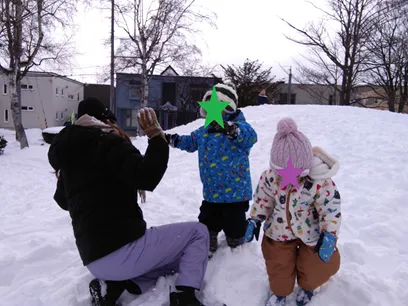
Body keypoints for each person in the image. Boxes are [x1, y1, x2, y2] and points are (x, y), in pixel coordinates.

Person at [48, 97, 210, 306]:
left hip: (94, 261)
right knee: (198, 234)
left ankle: (117, 286)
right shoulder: (106, 141)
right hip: (123, 252)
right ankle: (185, 298)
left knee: (171, 258)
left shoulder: (71, 154)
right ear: (106, 120)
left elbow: (63, 201)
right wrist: (156, 137)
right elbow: (146, 176)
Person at [245, 118, 341, 306]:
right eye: (282, 172)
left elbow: (330, 208)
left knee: (315, 265)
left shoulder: (319, 181)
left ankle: (308, 286)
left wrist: (329, 232)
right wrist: (256, 218)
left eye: (297, 173)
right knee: (278, 265)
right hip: (278, 232)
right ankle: (280, 292)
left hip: (312, 234)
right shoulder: (270, 178)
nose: (289, 177)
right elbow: (263, 199)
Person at [165, 83, 258, 258]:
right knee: (207, 223)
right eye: (209, 110)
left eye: (219, 108)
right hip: (212, 193)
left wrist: (231, 129)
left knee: (235, 228)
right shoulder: (203, 132)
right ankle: (209, 241)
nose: (213, 113)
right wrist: (172, 139)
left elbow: (251, 137)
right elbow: (190, 142)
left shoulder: (241, 128)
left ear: (228, 108)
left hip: (235, 195)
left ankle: (239, 237)